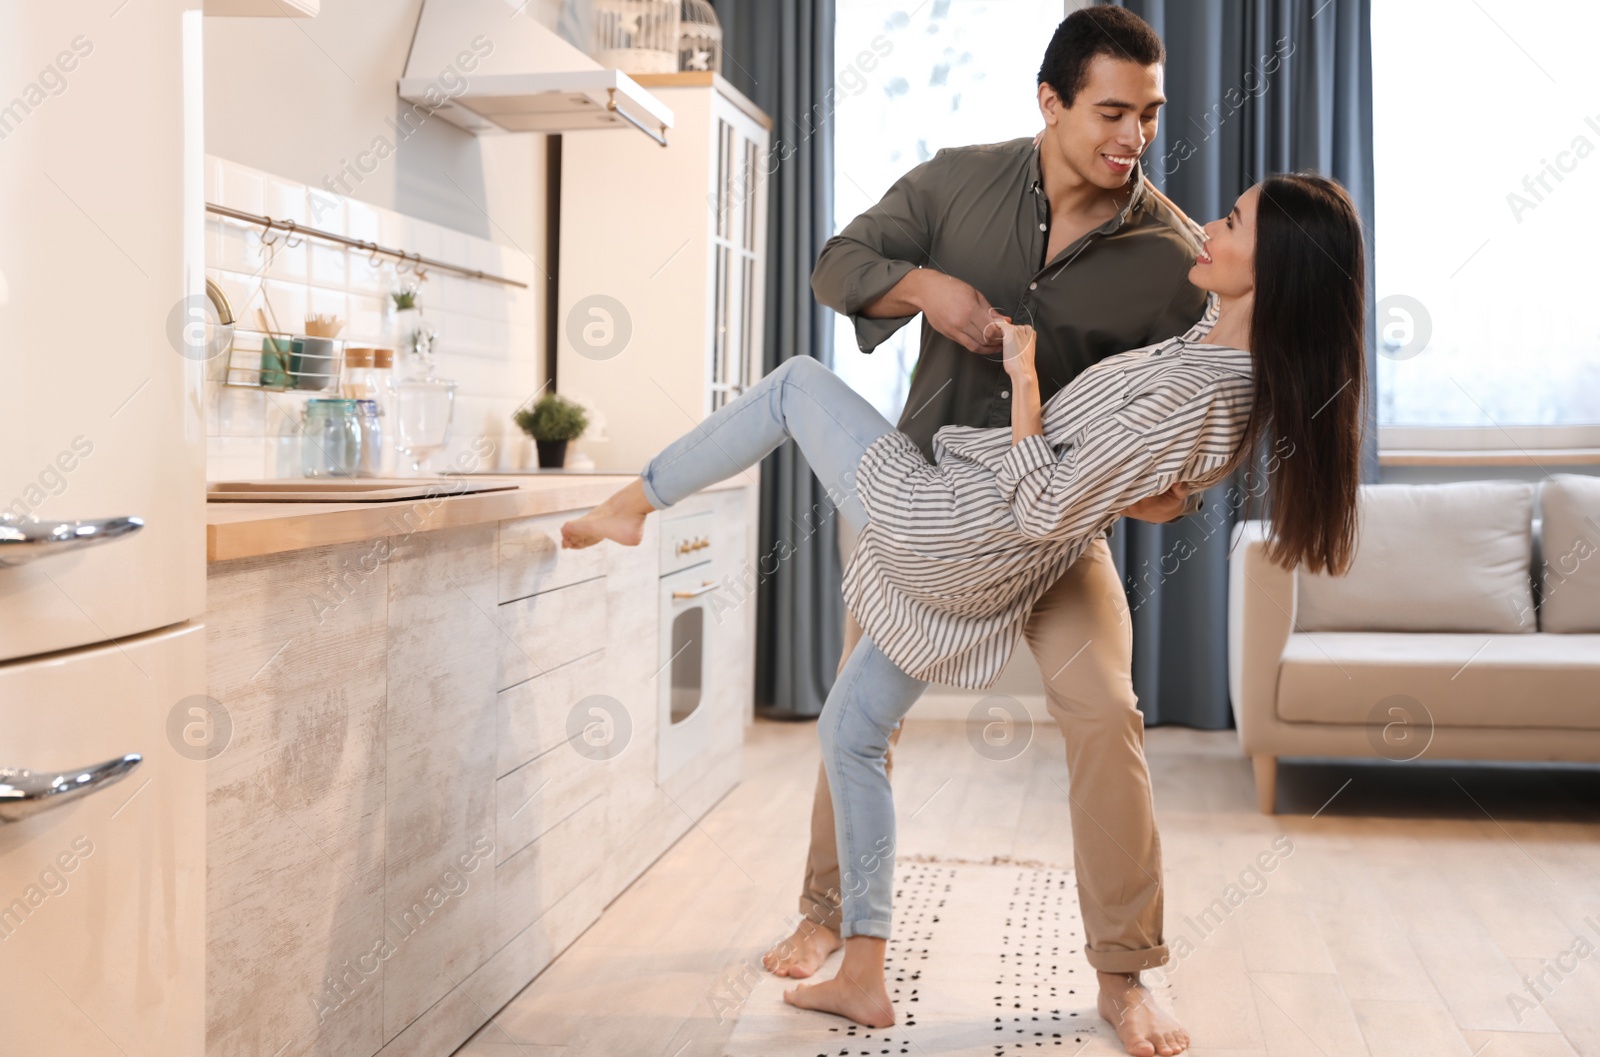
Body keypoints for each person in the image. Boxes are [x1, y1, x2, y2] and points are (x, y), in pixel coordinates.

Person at [562, 173, 1368, 1057]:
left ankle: (634, 501)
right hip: (979, 559)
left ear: (1279, 265)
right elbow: (1113, 469)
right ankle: (862, 971)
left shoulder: (1207, 390)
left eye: (1234, 219)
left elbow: (1047, 503)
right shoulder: (1211, 349)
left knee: (795, 385)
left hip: (950, 524)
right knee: (853, 727)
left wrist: (1024, 376)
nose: (1207, 225)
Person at [778, 8, 1210, 1054]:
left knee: (1106, 709)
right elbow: (836, 263)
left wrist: (1156, 489)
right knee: (855, 707)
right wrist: (927, 288)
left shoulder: (1173, 256)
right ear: (1050, 102)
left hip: (1053, 538)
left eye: (1148, 115)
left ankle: (1124, 974)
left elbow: (1185, 437)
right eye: (1112, 111)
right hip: (926, 516)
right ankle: (826, 910)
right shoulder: (955, 180)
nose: (1133, 137)